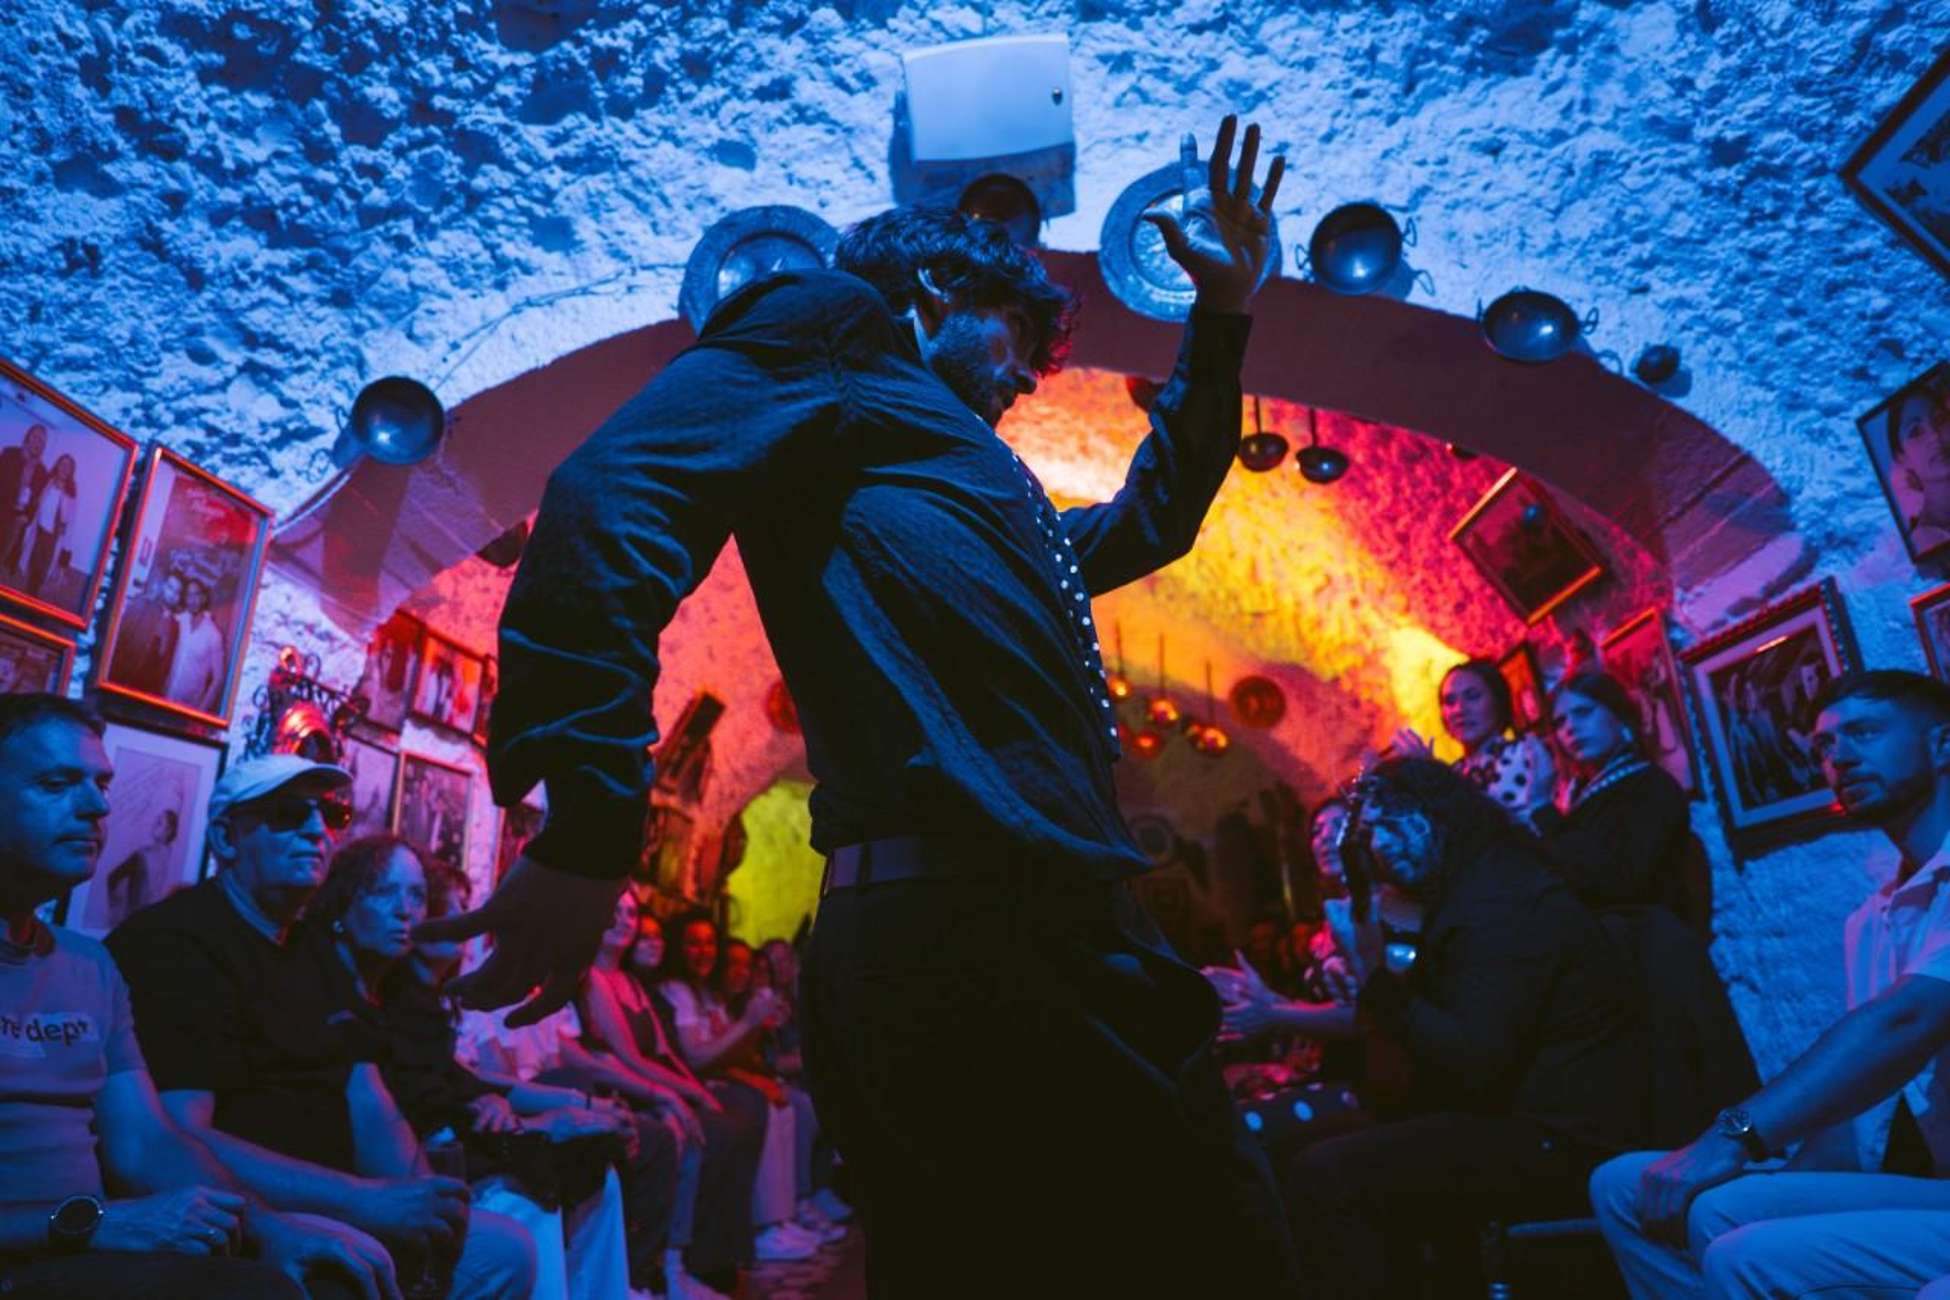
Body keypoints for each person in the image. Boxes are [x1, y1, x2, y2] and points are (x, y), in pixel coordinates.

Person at [420, 114, 1299, 1297]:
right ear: (936, 287)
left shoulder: (961, 476)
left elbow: (1151, 519)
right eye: (1019, 334)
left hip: (1056, 925)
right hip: (967, 935)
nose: (1030, 377)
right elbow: (611, 497)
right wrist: (589, 825)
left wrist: (1224, 315)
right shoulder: (834, 322)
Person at [0, 693, 396, 1300]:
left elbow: (146, 1142)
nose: (97, 806)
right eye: (57, 784)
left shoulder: (89, 965)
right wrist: (94, 1224)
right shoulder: (175, 942)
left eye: (101, 785)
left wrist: (269, 1229)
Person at [105, 752, 537, 1299]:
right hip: (248, 1205)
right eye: (289, 814)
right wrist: (363, 1200)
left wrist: (421, 1195)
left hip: (342, 1192)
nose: (317, 831)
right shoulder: (179, 944)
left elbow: (367, 1094)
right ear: (226, 838)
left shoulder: (313, 945)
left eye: (330, 815)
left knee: (506, 1249)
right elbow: (178, 1133)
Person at [1591, 670, 1950, 1299]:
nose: (1839, 757)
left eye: (1864, 732)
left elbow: (1907, 1020)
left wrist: (1731, 1138)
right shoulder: (1873, 920)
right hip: (1930, 1187)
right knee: (1625, 1185)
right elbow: (1855, 1111)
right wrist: (1777, 1181)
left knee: (1744, 1253)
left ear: (1942, 744)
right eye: (1823, 746)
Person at [1284, 757, 1645, 1299]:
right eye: (1369, 833)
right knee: (1309, 1145)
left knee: (1324, 1175)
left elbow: (1473, 1060)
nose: (1380, 846)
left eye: (1391, 824)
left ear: (1438, 816)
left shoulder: (1500, 900)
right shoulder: (1468, 886)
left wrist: (1375, 974)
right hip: (1513, 1114)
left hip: (1561, 1137)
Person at [308, 835, 641, 1300]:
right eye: (385, 892)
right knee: (532, 1190)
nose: (406, 911)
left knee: (589, 1161)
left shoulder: (405, 994)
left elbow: (453, 1079)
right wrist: (535, 1121)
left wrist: (560, 1106)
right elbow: (414, 1111)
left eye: (417, 896)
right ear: (343, 903)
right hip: (390, 1173)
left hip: (437, 1151)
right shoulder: (338, 992)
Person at [579, 892, 764, 1298]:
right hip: (624, 1088)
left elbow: (664, 1051)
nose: (625, 920)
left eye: (631, 913)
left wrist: (694, 1090)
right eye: (616, 911)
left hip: (652, 1086)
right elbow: (628, 1056)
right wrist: (675, 1097)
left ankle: (692, 1259)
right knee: (689, 1132)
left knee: (721, 1119)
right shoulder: (593, 978)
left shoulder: (632, 982)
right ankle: (662, 1266)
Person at [654, 911, 820, 1263]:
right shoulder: (677, 990)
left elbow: (728, 1052)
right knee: (757, 1106)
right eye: (694, 943)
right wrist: (750, 1023)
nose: (704, 952)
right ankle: (762, 1226)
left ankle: (780, 1217)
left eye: (709, 943)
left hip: (715, 1080)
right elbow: (696, 1057)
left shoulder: (705, 993)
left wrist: (758, 1029)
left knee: (780, 1103)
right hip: (694, 1084)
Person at [1531, 671, 1693, 914]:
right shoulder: (1580, 793)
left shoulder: (1650, 787)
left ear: (1620, 717)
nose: (1570, 728)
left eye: (1583, 712)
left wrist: (1543, 808)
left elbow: (1617, 882)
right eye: (1560, 723)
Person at [1393, 658, 1556, 823]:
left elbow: (1502, 826)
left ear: (1498, 700)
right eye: (1450, 702)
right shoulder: (1455, 772)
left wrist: (1435, 776)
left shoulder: (1527, 752)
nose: (1459, 709)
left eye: (1472, 696)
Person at [1889, 373, 1950, 554]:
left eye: (1939, 420)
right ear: (1901, 456)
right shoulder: (1922, 543)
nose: (1934, 436)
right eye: (1916, 431)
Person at [108, 569, 185, 697]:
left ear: (179, 597)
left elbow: (166, 664)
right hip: (121, 675)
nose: (172, 594)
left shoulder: (175, 626)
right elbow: (121, 637)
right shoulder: (143, 604)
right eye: (170, 587)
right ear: (164, 587)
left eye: (177, 592)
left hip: (146, 686)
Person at [100, 805, 179, 926]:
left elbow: (112, 878)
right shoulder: (145, 855)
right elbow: (112, 878)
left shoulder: (145, 856)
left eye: (159, 822)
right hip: (140, 921)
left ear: (168, 830)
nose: (154, 824)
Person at [163, 576, 225, 713]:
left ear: (203, 598)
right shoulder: (181, 620)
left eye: (196, 595)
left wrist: (201, 710)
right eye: (189, 595)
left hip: (188, 708)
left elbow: (218, 678)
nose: (193, 600)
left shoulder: (214, 635)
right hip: (165, 697)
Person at [23, 451, 73, 599]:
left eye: (68, 466)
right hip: (38, 530)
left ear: (71, 471)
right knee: (32, 565)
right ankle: (28, 595)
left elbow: (70, 522)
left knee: (42, 568)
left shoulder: (71, 493)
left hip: (53, 535)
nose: (64, 468)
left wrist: (65, 551)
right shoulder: (48, 483)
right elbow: (36, 503)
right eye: (62, 464)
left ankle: (32, 596)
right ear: (57, 465)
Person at [0, 422, 47, 577]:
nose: (37, 443)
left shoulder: (42, 471)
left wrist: (28, 517)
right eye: (35, 437)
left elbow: (37, 501)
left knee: (4, 555)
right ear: (27, 438)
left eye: (42, 441)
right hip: (2, 509)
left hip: (18, 519)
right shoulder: (9, 454)